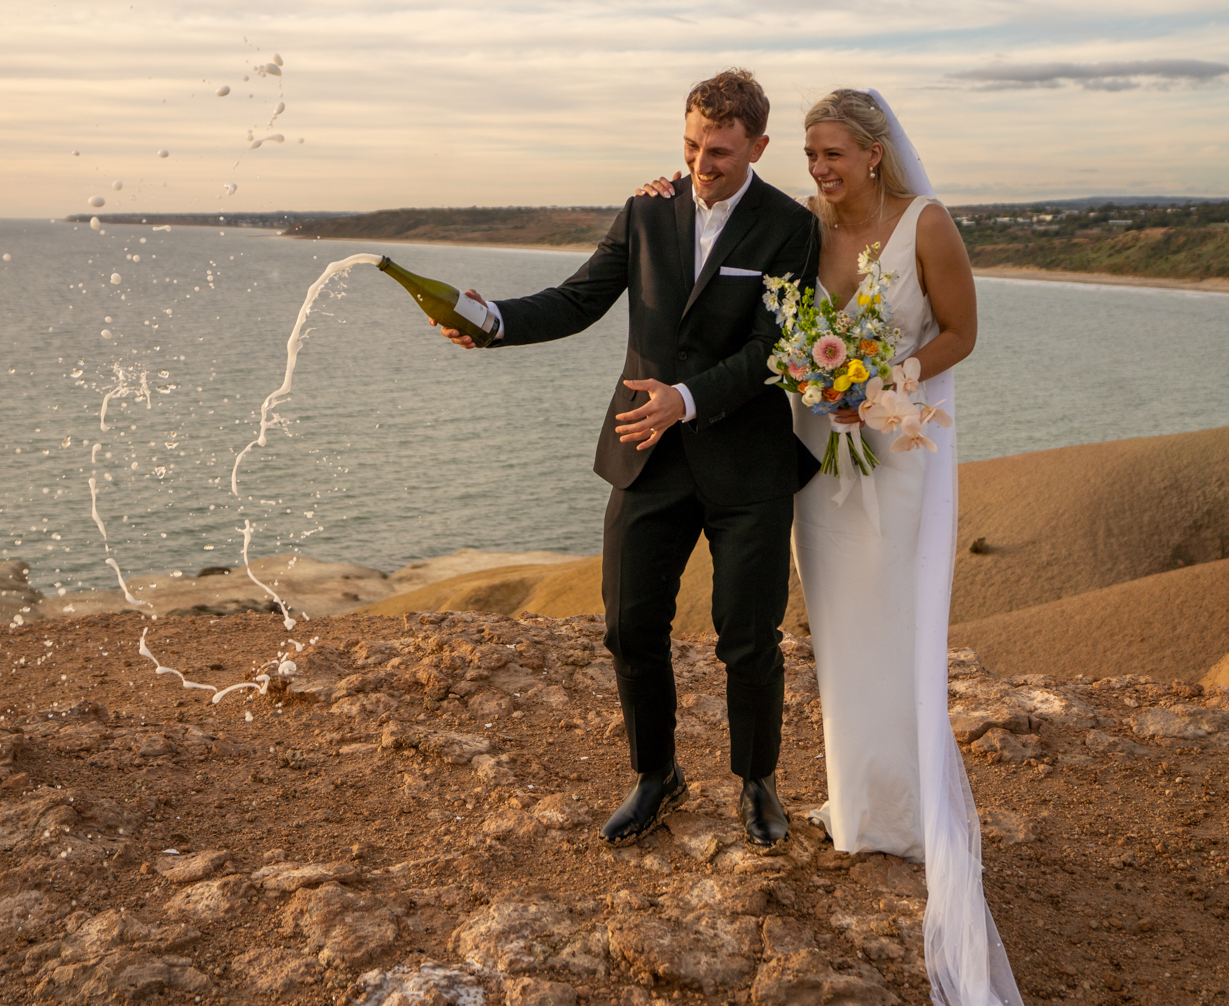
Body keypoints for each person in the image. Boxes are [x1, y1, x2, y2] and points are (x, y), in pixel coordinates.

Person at [634, 88, 1024, 1004]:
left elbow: (963, 332)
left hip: (895, 446)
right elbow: (739, 247)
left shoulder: (926, 226)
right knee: (838, 632)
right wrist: (671, 191)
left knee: (896, 622)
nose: (818, 169)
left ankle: (910, 810)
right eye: (810, 154)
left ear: (875, 156)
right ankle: (858, 808)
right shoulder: (803, 225)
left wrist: (884, 372)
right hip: (819, 458)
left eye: (832, 155)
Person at [434, 69, 820, 848]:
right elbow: (578, 299)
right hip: (645, 453)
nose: (699, 164)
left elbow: (775, 349)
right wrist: (494, 323)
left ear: (759, 146)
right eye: (688, 145)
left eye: (717, 152)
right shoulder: (646, 208)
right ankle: (656, 775)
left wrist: (688, 396)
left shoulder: (791, 226)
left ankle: (757, 782)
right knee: (629, 627)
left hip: (746, 462)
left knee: (749, 637)